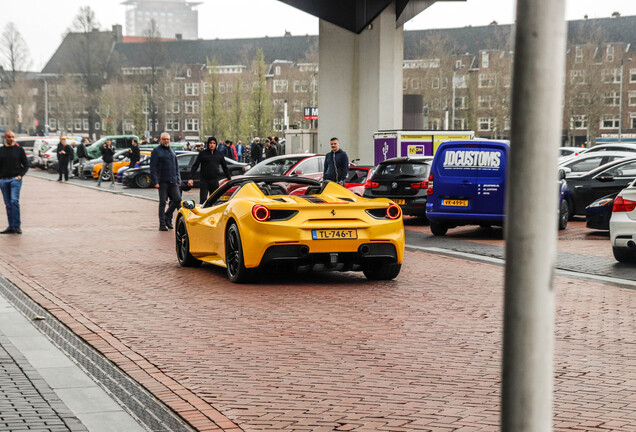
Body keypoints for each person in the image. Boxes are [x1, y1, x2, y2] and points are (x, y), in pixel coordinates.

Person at [150, 132, 181, 231]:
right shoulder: (156, 151)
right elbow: (153, 167)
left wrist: (178, 179)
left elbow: (176, 167)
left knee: (177, 200)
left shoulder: (172, 151)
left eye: (167, 139)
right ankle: (162, 224)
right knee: (163, 202)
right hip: (162, 181)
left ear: (170, 140)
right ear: (161, 140)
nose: (166, 141)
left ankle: (167, 216)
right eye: (164, 139)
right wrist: (155, 181)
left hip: (173, 181)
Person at [0, 130, 28, 234]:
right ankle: (11, 226)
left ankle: (17, 225)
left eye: (12, 136)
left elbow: (26, 164)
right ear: (5, 138)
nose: (11, 138)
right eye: (8, 137)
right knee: (8, 204)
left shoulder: (19, 150)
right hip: (3, 181)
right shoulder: (1, 150)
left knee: (14, 201)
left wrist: (20, 176)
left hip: (15, 180)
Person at [188, 136, 231, 204]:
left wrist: (229, 179)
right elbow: (195, 166)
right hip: (204, 180)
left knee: (214, 200)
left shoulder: (219, 154)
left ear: (216, 144)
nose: (212, 145)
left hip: (214, 180)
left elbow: (225, 167)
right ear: (208, 144)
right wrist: (191, 178)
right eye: (210, 143)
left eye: (214, 143)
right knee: (203, 200)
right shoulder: (202, 154)